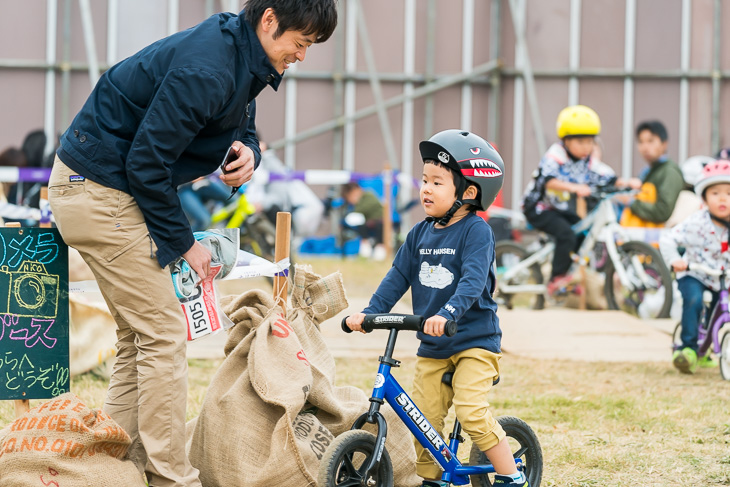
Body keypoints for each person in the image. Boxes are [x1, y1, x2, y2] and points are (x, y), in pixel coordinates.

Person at [47, 2, 337, 486]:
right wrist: (185, 244)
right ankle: (170, 476)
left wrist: (250, 149)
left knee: (139, 337)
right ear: (269, 20)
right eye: (301, 43)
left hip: (100, 186)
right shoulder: (208, 67)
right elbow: (146, 163)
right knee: (162, 334)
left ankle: (117, 462)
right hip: (97, 190)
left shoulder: (241, 56)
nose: (301, 56)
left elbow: (236, 121)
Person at [346, 130, 528, 487]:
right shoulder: (419, 233)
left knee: (472, 412)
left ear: (469, 192)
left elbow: (473, 282)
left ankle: (512, 476)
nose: (425, 189)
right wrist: (369, 314)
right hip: (433, 345)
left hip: (474, 340)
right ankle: (433, 481)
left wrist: (447, 314)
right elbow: (397, 277)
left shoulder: (476, 232)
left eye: (437, 182)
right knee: (422, 421)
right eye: (424, 180)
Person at [522, 105, 635, 296]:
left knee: (581, 232)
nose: (587, 147)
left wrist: (625, 182)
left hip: (558, 209)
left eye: (591, 141)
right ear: (565, 140)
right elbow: (549, 181)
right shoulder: (556, 154)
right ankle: (556, 278)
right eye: (581, 141)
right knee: (566, 234)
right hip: (537, 207)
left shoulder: (587, 160)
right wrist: (575, 188)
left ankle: (567, 276)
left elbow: (603, 174)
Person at [659, 159, 730, 374]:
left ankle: (707, 348)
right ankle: (688, 348)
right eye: (715, 193)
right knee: (694, 300)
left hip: (721, 277)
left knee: (720, 308)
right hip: (695, 273)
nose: (722, 199)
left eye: (728, 193)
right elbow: (667, 239)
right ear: (705, 198)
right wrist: (675, 260)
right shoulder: (696, 222)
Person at [619, 120, 684, 228]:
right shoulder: (649, 170)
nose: (645, 147)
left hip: (656, 239)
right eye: (641, 142)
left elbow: (663, 211)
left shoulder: (669, 172)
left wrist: (630, 201)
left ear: (664, 144)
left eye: (650, 141)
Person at [341, 181, 386, 259]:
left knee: (380, 227)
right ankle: (365, 247)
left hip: (379, 220)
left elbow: (362, 209)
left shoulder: (368, 195)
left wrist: (356, 203)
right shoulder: (359, 201)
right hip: (367, 222)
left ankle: (380, 249)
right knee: (362, 226)